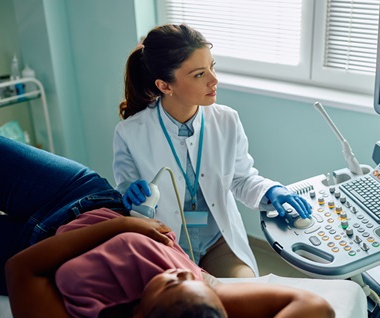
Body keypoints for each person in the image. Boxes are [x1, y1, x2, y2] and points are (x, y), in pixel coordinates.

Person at [1, 138, 335, 318]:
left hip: (30, 243)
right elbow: (316, 309)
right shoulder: (201, 308)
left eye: (173, 282)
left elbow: (21, 270)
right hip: (85, 195)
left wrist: (122, 228)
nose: (186, 272)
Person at [113, 24, 313, 278]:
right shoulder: (130, 132)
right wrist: (129, 195)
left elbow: (242, 179)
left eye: (212, 66)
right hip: (166, 243)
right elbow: (126, 193)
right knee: (189, 308)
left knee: (246, 293)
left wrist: (271, 190)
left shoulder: (227, 120)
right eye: (199, 74)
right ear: (165, 86)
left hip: (217, 241)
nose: (214, 79)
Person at [0, 135, 127, 296]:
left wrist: (125, 225)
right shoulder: (166, 258)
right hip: (84, 197)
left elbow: (16, 267)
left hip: (39, 259)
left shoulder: (97, 317)